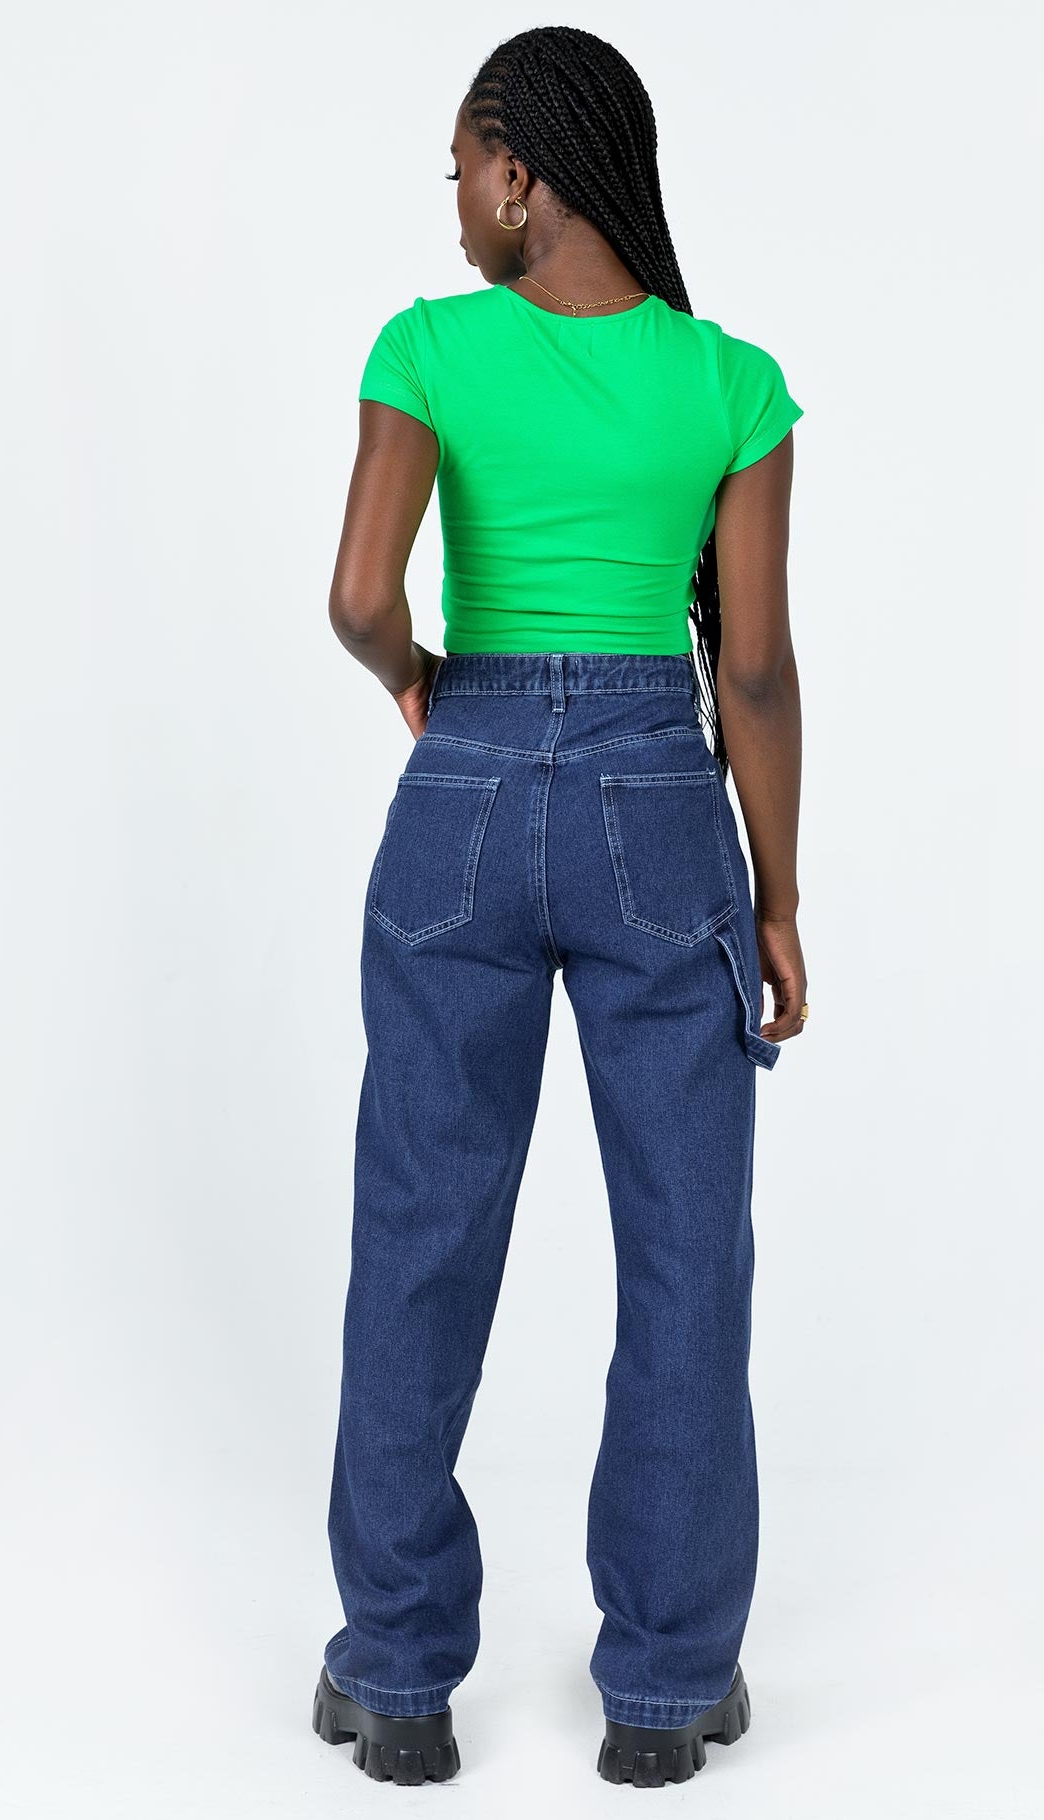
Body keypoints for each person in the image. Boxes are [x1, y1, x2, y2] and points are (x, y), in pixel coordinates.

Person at [313, 26, 809, 1790]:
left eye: (462, 165)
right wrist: (778, 896)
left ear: (521, 172)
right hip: (661, 809)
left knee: (420, 1230)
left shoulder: (429, 349)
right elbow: (753, 669)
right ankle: (666, 1689)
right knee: (686, 1248)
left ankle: (395, 1677)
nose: (454, 198)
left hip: (461, 789)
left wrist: (420, 680)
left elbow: (359, 594)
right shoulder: (732, 382)